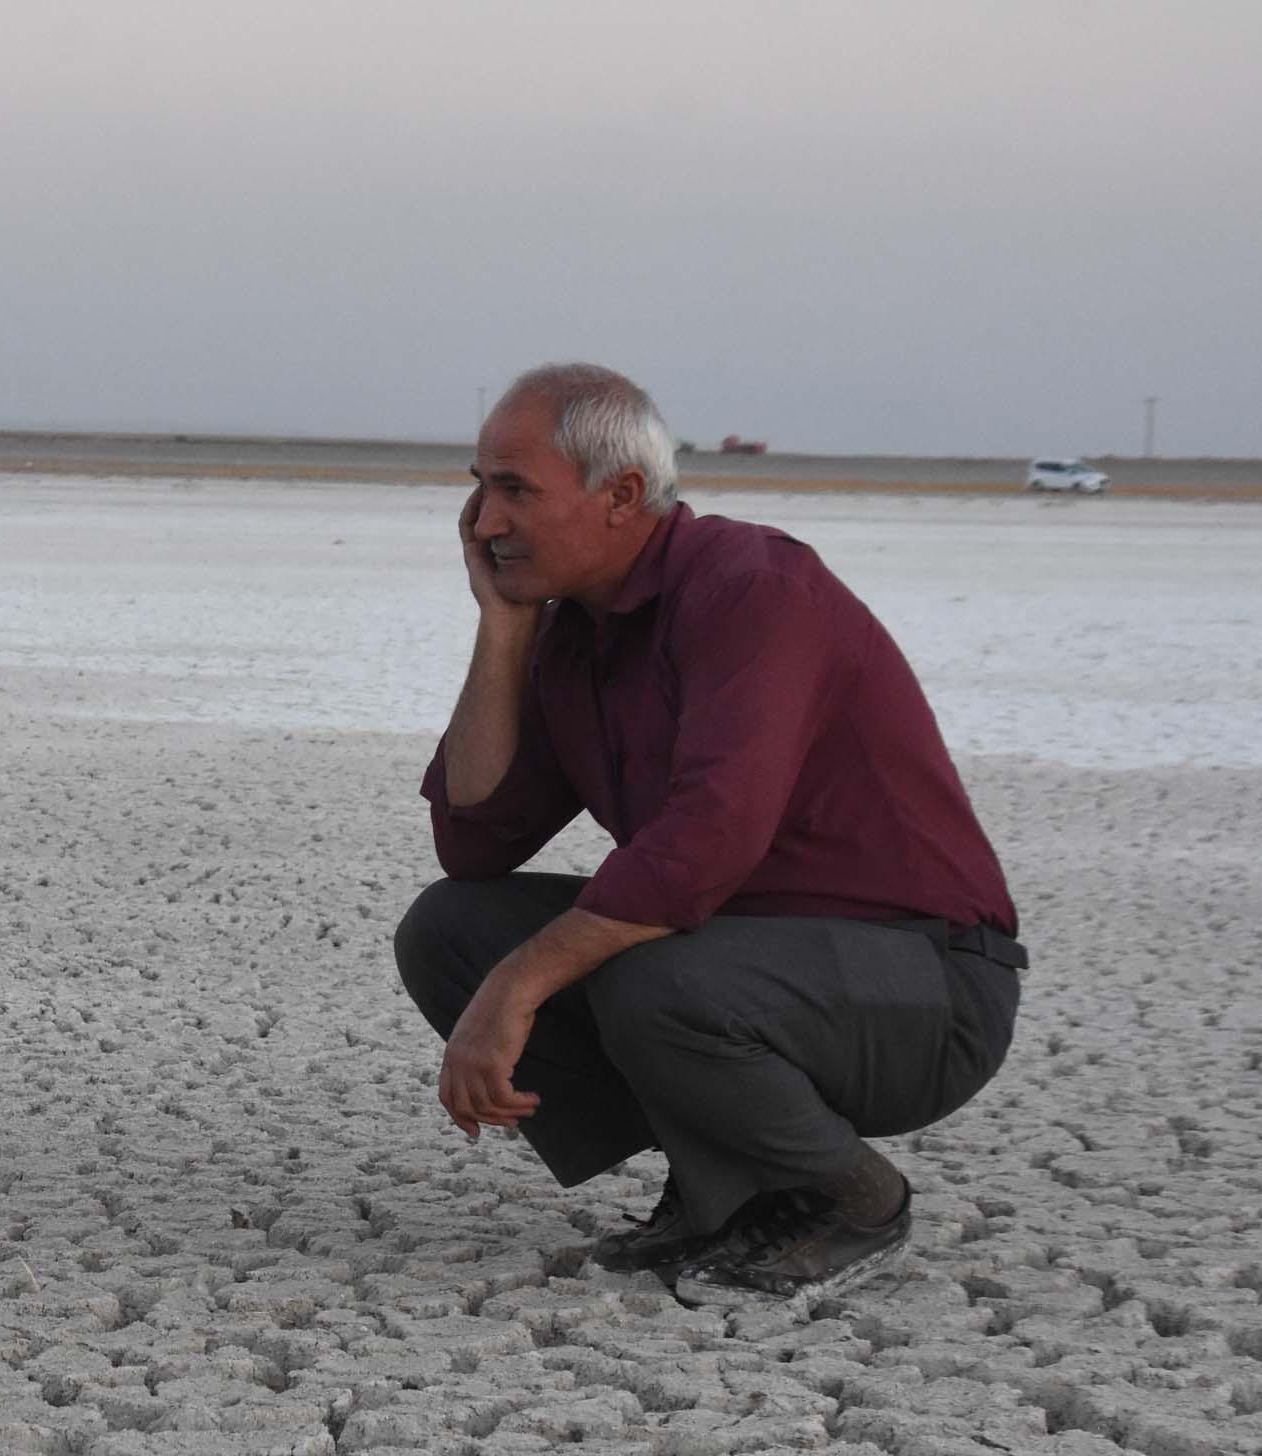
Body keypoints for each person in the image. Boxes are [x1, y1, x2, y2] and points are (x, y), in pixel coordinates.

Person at [391, 363, 1025, 1306]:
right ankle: (722, 1187)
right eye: (478, 487)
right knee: (450, 930)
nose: (484, 522)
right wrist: (504, 631)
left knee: (655, 978)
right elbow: (476, 845)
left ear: (623, 495)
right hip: (745, 964)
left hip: (927, 987)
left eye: (515, 489)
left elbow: (705, 846)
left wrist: (517, 987)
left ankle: (851, 1200)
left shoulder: (754, 589)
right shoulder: (577, 635)